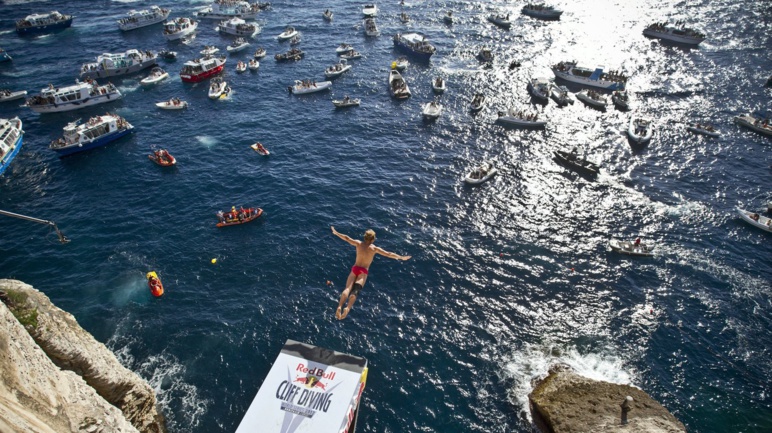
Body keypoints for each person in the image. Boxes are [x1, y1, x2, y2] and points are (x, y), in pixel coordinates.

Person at [331, 226, 411, 320]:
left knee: (347, 289)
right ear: (373, 239)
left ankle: (340, 306)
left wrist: (336, 233)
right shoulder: (374, 249)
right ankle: (347, 308)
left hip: (355, 268)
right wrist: (401, 257)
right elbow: (389, 254)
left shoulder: (358, 244)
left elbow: (347, 238)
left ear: (365, 237)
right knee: (355, 291)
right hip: (363, 272)